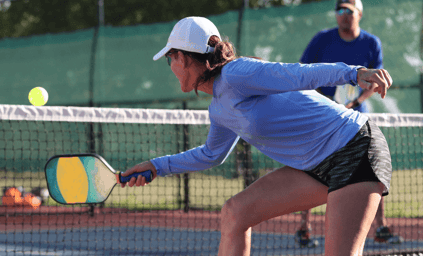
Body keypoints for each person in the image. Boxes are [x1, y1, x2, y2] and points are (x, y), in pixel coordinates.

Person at [120, 16, 393, 256]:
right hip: (314, 166)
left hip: (355, 147)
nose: (170, 65)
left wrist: (354, 73)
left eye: (170, 58)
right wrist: (156, 166)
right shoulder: (219, 109)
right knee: (235, 213)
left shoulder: (237, 73)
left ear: (181, 57)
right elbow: (210, 155)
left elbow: (298, 74)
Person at [295, 0, 402, 247]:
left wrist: (353, 103)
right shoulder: (321, 40)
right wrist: (325, 103)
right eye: (340, 10)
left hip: (356, 122)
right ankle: (304, 228)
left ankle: (380, 227)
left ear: (360, 14)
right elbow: (305, 72)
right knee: (312, 165)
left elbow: (375, 81)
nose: (343, 15)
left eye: (349, 11)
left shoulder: (371, 43)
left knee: (372, 169)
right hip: (323, 115)